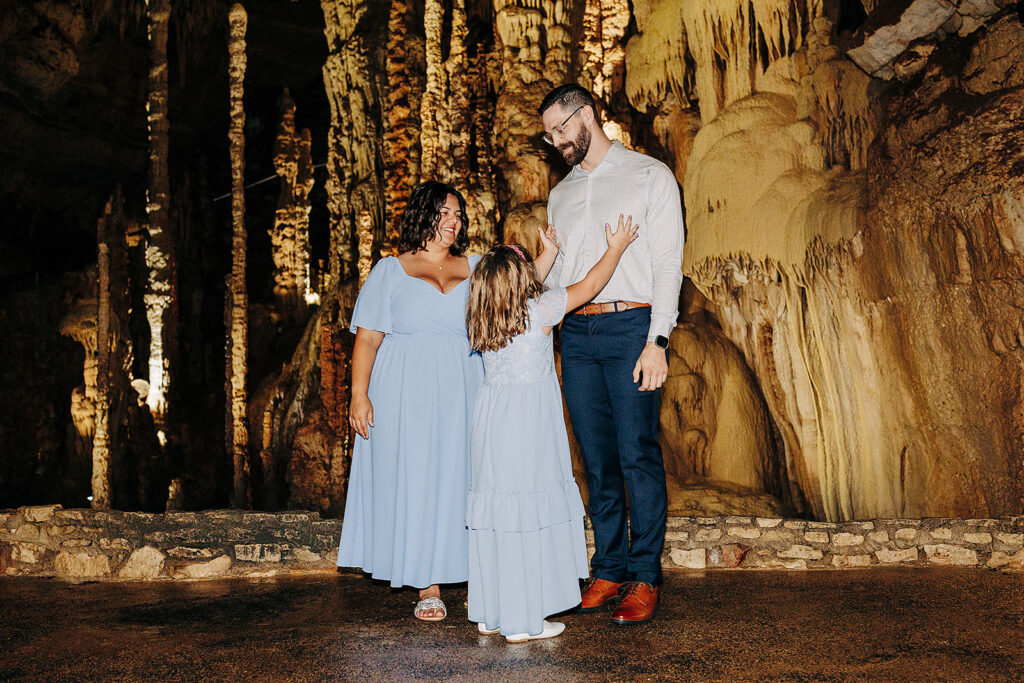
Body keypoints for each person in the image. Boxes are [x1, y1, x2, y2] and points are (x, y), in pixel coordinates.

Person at [538, 84, 685, 624]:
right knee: (596, 460)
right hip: (577, 336)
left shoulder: (649, 175)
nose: (555, 142)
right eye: (548, 135)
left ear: (587, 115)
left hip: (631, 326)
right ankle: (609, 569)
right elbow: (557, 279)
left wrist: (658, 340)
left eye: (560, 129)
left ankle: (645, 575)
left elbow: (669, 263)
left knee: (636, 454)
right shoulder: (561, 195)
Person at [465, 216, 640, 642]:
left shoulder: (486, 315)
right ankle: (524, 622)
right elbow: (590, 286)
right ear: (519, 283)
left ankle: (493, 611)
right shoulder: (539, 310)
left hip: (491, 423)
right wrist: (615, 247)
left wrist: (551, 252)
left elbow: (519, 282)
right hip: (528, 427)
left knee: (499, 511)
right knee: (526, 511)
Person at [338, 180, 484, 622]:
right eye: (444, 213)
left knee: (462, 475)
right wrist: (358, 395)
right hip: (405, 391)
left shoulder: (475, 268)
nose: (453, 221)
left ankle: (474, 567)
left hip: (463, 385)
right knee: (416, 477)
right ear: (423, 215)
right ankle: (428, 583)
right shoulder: (390, 270)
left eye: (458, 214)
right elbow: (368, 337)